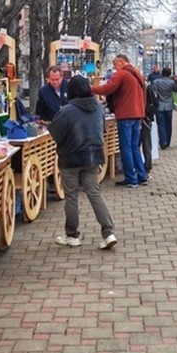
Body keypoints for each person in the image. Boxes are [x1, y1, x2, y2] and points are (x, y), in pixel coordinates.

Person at [48, 76, 117, 250]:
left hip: (70, 158)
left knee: (71, 196)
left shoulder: (67, 111)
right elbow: (101, 130)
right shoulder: (99, 109)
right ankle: (108, 232)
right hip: (93, 156)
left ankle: (72, 235)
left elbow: (55, 133)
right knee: (94, 193)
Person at [92, 54, 149, 188]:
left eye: (115, 64)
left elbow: (108, 88)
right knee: (135, 146)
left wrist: (90, 88)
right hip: (138, 114)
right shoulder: (137, 73)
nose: (114, 68)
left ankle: (131, 178)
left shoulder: (122, 74)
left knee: (126, 147)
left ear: (121, 62)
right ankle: (142, 176)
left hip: (125, 114)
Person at [151, 67, 177, 149]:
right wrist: (176, 81)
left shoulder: (156, 82)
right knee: (168, 124)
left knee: (161, 124)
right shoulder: (171, 82)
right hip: (169, 105)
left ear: (162, 73)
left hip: (159, 105)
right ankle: (168, 141)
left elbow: (153, 91)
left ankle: (163, 141)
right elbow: (176, 90)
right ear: (169, 74)